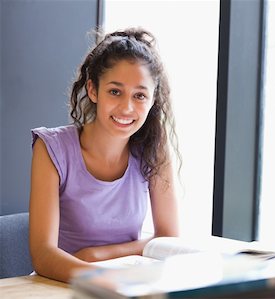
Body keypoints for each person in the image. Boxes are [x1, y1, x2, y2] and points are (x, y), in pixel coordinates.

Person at [29, 28, 180, 283]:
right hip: (61, 285)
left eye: (140, 95)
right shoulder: (52, 148)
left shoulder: (153, 148)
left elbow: (168, 239)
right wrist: (100, 277)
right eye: (115, 91)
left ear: (153, 100)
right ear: (93, 90)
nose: (127, 107)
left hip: (124, 285)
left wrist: (96, 255)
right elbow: (43, 255)